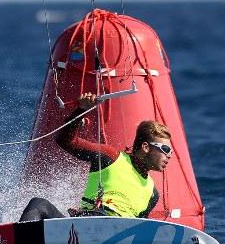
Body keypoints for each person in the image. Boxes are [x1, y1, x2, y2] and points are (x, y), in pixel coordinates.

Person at [19, 92, 170, 221]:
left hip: (116, 239)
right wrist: (81, 110)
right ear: (145, 147)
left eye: (170, 151)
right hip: (83, 226)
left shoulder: (152, 194)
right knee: (38, 205)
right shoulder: (111, 157)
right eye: (165, 149)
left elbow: (141, 230)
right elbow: (65, 141)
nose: (169, 156)